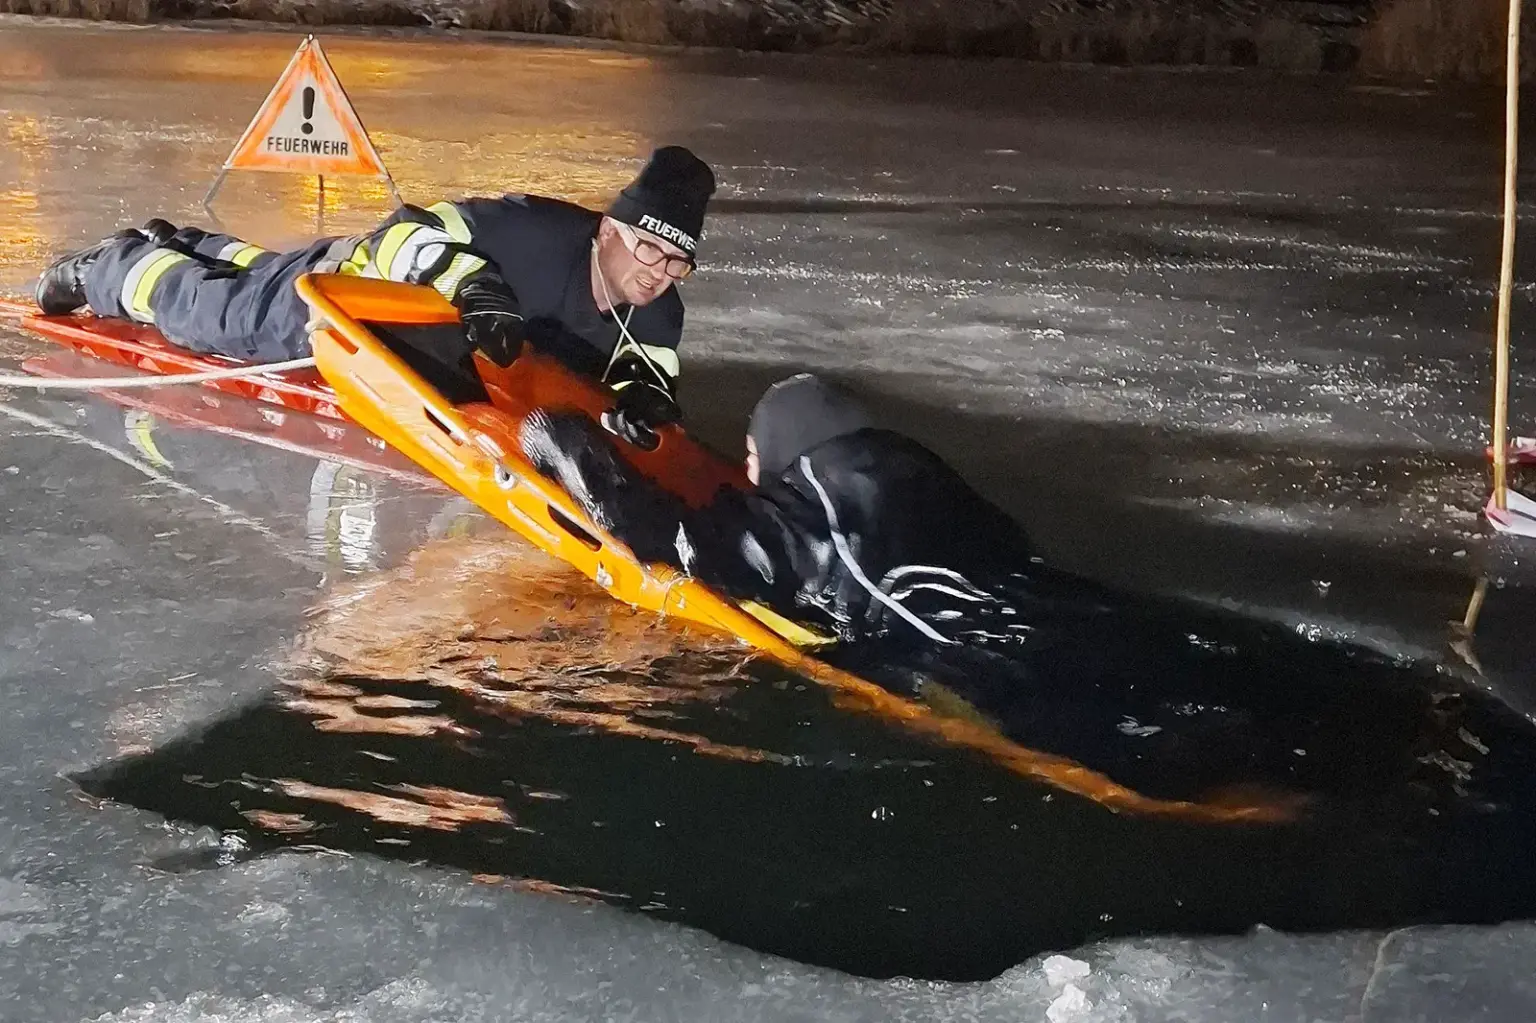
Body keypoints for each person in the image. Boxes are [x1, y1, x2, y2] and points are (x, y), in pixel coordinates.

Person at [519, 372, 1463, 806]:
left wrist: (573, 452)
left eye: (758, 454)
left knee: (1155, 752)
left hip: (972, 653)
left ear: (787, 451)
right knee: (1203, 669)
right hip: (1064, 603)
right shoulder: (923, 473)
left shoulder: (813, 513)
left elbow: (679, 539)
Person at [33, 146, 717, 442]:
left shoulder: (659, 305)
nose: (655, 272)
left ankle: (184, 242)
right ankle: (113, 266)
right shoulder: (528, 231)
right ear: (608, 229)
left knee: (258, 270)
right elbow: (403, 233)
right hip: (361, 300)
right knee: (224, 320)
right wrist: (472, 285)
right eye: (646, 248)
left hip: (416, 346)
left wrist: (646, 402)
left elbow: (646, 364)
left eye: (675, 262)